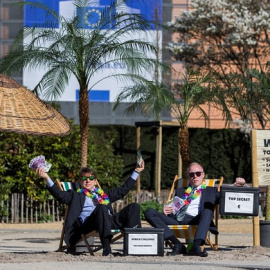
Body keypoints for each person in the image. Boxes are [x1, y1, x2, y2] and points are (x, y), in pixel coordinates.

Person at [36, 160, 144, 256]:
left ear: (95, 181)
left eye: (91, 178)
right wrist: (47, 178)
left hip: (108, 221)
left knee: (134, 207)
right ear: (80, 181)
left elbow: (123, 190)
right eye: (84, 178)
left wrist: (137, 171)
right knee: (101, 208)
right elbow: (59, 194)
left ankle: (134, 244)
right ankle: (106, 247)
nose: (88, 181)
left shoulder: (103, 194)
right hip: (89, 224)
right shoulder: (75, 195)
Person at [144, 162, 246, 257]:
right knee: (149, 212)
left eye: (198, 173)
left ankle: (196, 246)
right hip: (177, 219)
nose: (195, 177)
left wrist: (240, 186)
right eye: (192, 174)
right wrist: (165, 209)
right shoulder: (180, 191)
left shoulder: (211, 190)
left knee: (207, 210)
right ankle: (177, 244)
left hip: (198, 219)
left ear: (203, 175)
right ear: (188, 176)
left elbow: (228, 197)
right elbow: (173, 205)